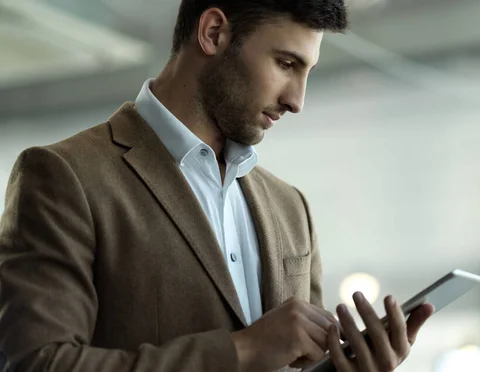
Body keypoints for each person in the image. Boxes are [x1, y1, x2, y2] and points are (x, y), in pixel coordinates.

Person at [0, 1, 434, 371]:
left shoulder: (291, 208)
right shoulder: (65, 176)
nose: (297, 100)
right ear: (213, 33)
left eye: (308, 72)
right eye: (286, 64)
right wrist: (242, 351)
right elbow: (37, 362)